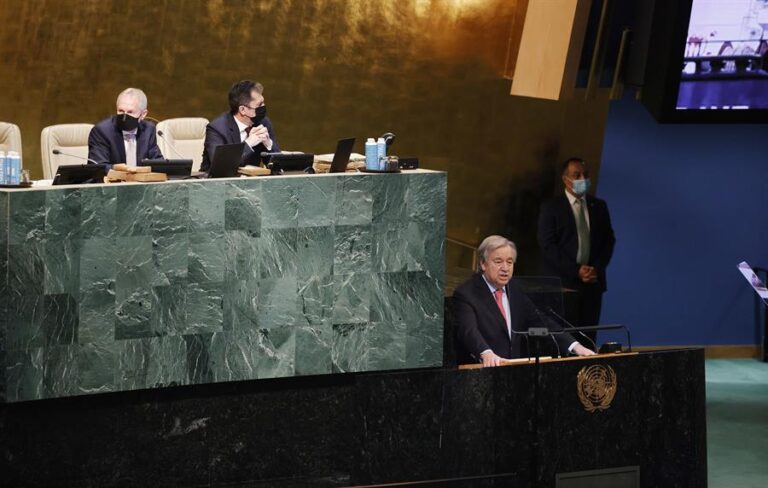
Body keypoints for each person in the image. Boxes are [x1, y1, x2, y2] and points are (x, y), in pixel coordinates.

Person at [453, 235, 596, 367]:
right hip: (482, 372)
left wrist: (575, 346)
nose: (505, 268)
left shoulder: (514, 289)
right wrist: (485, 352)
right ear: (483, 264)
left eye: (509, 262)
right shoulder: (466, 293)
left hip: (514, 372)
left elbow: (541, 323)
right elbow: (468, 330)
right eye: (498, 261)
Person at [537, 157, 616, 347]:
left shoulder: (599, 206)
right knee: (564, 340)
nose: (582, 179)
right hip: (563, 285)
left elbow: (608, 240)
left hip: (592, 285)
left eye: (585, 175)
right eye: (577, 175)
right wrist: (576, 270)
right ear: (565, 179)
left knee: (588, 339)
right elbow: (547, 246)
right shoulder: (551, 207)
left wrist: (595, 268)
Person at [201, 80, 280, 172]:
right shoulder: (217, 129)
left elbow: (278, 166)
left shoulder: (263, 122)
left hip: (251, 184)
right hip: (216, 183)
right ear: (242, 110)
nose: (264, 107)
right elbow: (222, 167)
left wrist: (268, 144)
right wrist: (248, 144)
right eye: (259, 105)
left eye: (263, 102)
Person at [88, 87, 163, 166]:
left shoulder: (148, 130)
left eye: (130, 112)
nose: (124, 117)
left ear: (143, 114)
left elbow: (158, 163)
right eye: (121, 111)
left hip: (141, 178)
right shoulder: (102, 131)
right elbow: (99, 167)